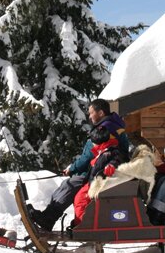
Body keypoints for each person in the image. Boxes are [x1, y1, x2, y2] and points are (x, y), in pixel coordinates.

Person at [27, 99, 130, 231]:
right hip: (101, 168)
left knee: (70, 185)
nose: (89, 116)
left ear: (101, 112)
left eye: (91, 113)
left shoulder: (106, 129)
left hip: (104, 172)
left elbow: (89, 156)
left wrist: (73, 168)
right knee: (67, 185)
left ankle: (50, 219)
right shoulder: (111, 125)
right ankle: (48, 217)